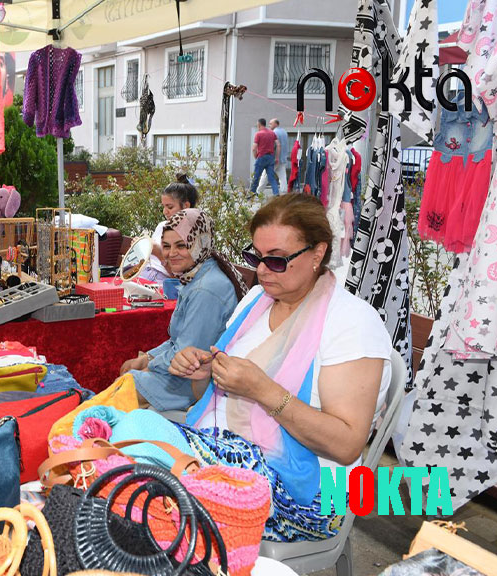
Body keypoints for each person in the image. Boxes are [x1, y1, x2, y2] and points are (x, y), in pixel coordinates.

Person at [171, 194, 391, 541]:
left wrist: (263, 391)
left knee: (148, 462)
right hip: (227, 454)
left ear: (317, 254)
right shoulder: (257, 301)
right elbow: (216, 399)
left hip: (309, 494)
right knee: (128, 442)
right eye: (255, 257)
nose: (260, 270)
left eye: (276, 260)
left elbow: (347, 445)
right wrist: (204, 374)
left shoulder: (352, 323)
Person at [119, 208, 247, 410]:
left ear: (200, 244)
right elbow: (177, 341)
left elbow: (187, 356)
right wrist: (147, 358)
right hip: (185, 371)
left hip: (199, 382)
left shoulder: (206, 289)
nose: (171, 254)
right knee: (127, 377)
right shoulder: (198, 273)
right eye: (167, 246)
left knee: (122, 389)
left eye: (182, 245)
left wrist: (148, 364)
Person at [139, 173, 199, 282]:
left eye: (170, 207)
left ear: (186, 206)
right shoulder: (162, 226)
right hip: (145, 275)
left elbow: (181, 278)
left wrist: (159, 253)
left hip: (164, 284)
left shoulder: (191, 234)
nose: (165, 212)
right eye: (163, 206)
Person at [258, 118, 290, 195]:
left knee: (265, 175)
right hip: (282, 159)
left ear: (276, 124)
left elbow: (272, 146)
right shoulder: (284, 132)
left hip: (274, 159)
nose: (269, 125)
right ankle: (284, 192)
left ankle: (258, 191)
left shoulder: (273, 133)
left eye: (271, 124)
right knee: (282, 177)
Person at [250, 118, 279, 196]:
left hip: (261, 157)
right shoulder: (272, 133)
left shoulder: (258, 134)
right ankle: (276, 193)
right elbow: (278, 144)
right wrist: (276, 157)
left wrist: (255, 156)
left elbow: (254, 148)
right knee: (271, 177)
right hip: (270, 157)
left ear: (259, 124)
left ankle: (251, 193)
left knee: (256, 176)